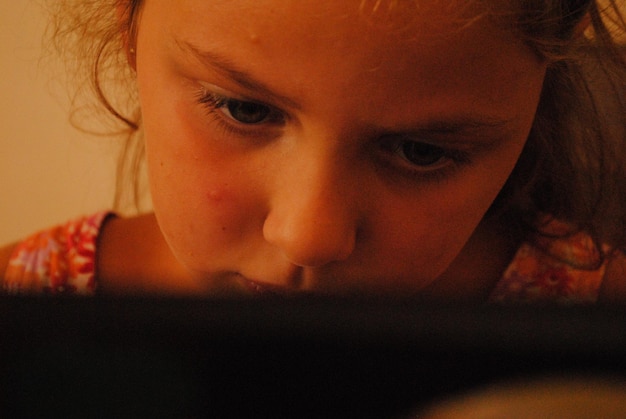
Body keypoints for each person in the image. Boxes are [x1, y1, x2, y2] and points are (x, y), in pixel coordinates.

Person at [0, 0, 625, 303]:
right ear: (127, 26)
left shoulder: (597, 319)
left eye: (419, 151)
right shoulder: (24, 306)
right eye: (245, 110)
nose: (308, 236)